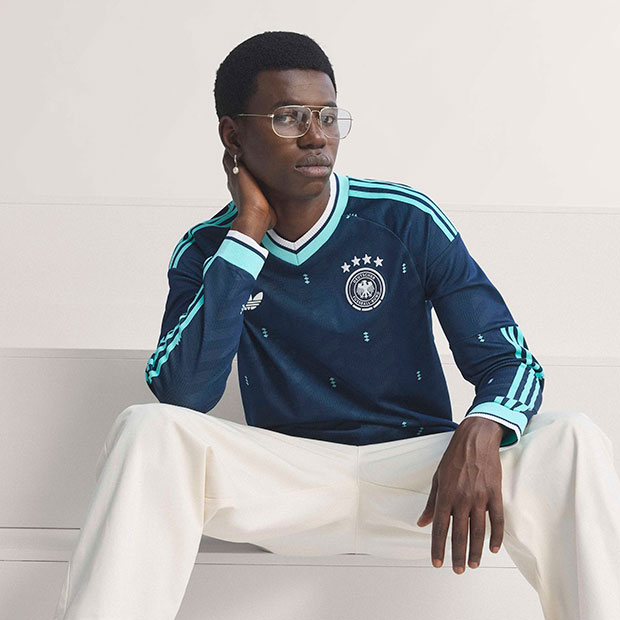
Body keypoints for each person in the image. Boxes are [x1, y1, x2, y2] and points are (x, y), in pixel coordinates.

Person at [53, 31, 620, 620]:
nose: (316, 135)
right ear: (232, 135)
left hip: (420, 480)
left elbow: (510, 359)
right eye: (288, 117)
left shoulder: (403, 219)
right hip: (286, 482)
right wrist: (246, 235)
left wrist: (484, 425)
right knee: (146, 429)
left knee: (571, 438)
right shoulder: (207, 249)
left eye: (327, 116)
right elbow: (182, 394)